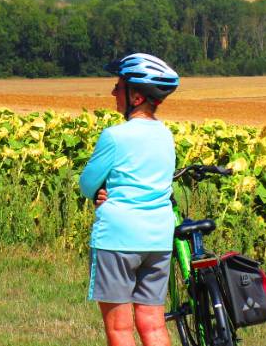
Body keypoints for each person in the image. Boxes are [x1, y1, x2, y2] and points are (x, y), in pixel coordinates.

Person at [80, 53, 180, 346]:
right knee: (153, 325)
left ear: (135, 97)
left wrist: (100, 190)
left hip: (117, 240)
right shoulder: (166, 135)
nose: (113, 92)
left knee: (120, 329)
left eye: (118, 86)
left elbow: (87, 184)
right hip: (158, 240)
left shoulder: (114, 136)